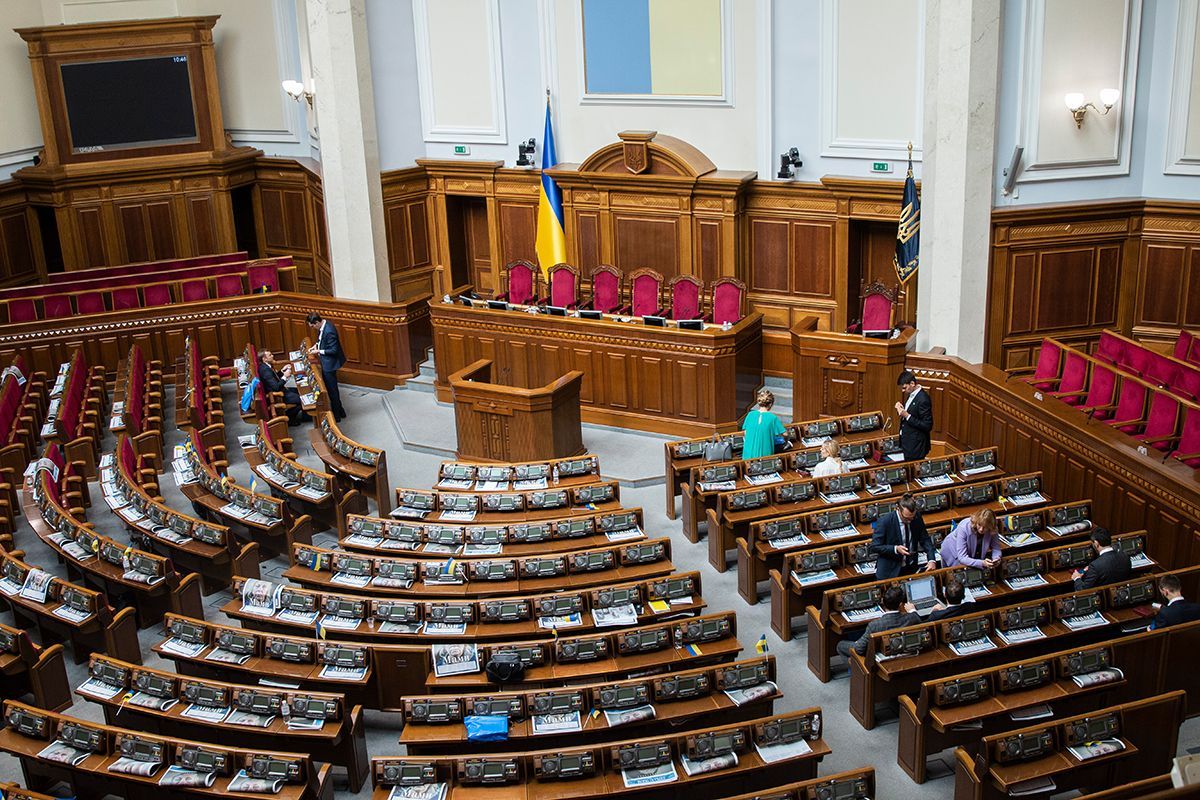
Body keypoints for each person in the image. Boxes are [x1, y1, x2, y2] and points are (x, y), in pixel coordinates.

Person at [837, 584, 921, 659]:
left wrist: (857, 642)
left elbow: (859, 649)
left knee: (840, 645)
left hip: (880, 656)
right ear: (900, 605)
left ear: (882, 602)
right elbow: (917, 618)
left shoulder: (875, 625)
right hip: (902, 652)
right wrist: (913, 610)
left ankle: (855, 670)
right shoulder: (912, 617)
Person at [870, 493, 938, 579]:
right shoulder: (884, 522)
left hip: (911, 568)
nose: (910, 521)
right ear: (898, 509)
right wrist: (895, 549)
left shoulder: (916, 517)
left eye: (912, 518)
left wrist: (932, 559)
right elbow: (874, 546)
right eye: (906, 518)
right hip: (890, 571)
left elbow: (925, 539)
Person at [306, 312, 347, 422]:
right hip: (326, 362)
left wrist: (318, 351)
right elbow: (321, 340)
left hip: (330, 364)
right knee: (331, 389)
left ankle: (337, 416)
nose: (313, 328)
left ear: (317, 322)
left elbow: (333, 350)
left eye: (313, 326)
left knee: (332, 390)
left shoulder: (329, 331)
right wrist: (316, 346)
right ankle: (341, 411)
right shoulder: (324, 326)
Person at [257, 350, 308, 426]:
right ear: (264, 359)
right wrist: (285, 376)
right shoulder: (265, 371)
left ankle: (305, 415)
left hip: (283, 390)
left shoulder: (266, 366)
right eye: (270, 355)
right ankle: (289, 418)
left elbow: (274, 378)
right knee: (302, 400)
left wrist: (282, 371)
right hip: (279, 395)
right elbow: (276, 387)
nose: (272, 356)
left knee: (301, 391)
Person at [895, 370, 933, 460]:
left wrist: (907, 415)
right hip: (908, 443)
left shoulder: (923, 399)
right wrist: (902, 409)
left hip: (916, 446)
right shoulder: (912, 394)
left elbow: (927, 425)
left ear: (912, 383)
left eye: (904, 388)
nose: (903, 391)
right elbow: (914, 412)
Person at [741, 389, 785, 460]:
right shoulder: (772, 417)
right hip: (765, 457)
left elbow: (745, 433)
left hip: (747, 457)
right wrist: (785, 443)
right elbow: (785, 434)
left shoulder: (750, 415)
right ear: (771, 404)